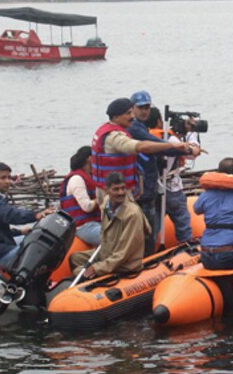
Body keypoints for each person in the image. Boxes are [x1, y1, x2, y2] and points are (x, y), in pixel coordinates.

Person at [125, 91, 197, 254]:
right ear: (133, 108)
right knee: (174, 221)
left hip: (152, 186)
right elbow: (162, 146)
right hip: (151, 188)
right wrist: (185, 144)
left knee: (153, 225)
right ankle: (183, 251)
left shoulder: (142, 128)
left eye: (147, 107)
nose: (144, 111)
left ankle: (148, 255)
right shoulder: (136, 129)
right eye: (141, 107)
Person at [92, 98, 190, 204]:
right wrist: (172, 145)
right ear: (116, 117)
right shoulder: (115, 137)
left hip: (107, 190)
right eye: (128, 113)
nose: (132, 116)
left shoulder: (103, 129)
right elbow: (141, 147)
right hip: (115, 194)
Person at [0, 162, 55, 270]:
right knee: (39, 249)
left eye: (9, 178)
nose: (8, 182)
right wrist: (36, 215)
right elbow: (9, 215)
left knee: (29, 238)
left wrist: (20, 232)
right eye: (3, 178)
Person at [69, 171, 149, 278]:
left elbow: (124, 253)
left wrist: (98, 268)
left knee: (79, 272)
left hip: (125, 264)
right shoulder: (107, 204)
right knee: (74, 258)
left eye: (123, 188)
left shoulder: (133, 215)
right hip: (108, 253)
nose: (121, 193)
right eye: (116, 189)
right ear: (106, 190)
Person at [59, 147, 101, 246]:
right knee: (113, 239)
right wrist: (102, 198)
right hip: (83, 227)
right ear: (90, 158)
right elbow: (87, 206)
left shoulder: (91, 177)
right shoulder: (76, 179)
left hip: (96, 223)